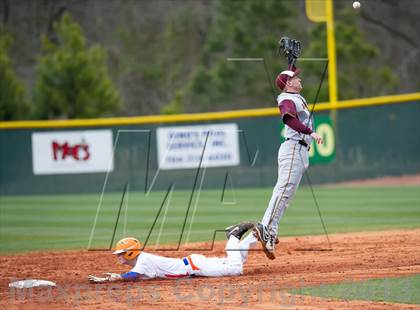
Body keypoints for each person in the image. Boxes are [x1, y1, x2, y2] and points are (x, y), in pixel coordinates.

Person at [242, 64, 324, 260]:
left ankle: (270, 231)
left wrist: (291, 62)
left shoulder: (292, 95)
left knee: (286, 196)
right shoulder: (287, 98)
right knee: (283, 190)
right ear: (288, 83)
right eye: (296, 77)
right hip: (294, 147)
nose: (300, 79)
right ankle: (265, 227)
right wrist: (309, 131)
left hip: (300, 149)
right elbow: (288, 118)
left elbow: (287, 79)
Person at [88, 222, 255, 283]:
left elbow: (132, 276)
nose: (118, 256)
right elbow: (136, 275)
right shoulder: (141, 260)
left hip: (195, 266)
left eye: (121, 253)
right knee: (236, 260)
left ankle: (233, 235)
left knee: (236, 269)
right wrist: (113, 277)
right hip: (193, 263)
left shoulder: (143, 260)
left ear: (131, 253)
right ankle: (254, 236)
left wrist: (113, 279)